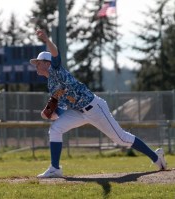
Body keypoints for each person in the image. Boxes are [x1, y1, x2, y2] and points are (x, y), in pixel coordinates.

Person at [29, 29, 167, 178]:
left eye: (38, 62)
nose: (35, 65)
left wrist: (47, 40)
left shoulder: (56, 70)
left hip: (94, 107)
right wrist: (51, 115)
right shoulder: (51, 84)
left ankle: (156, 157)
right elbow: (62, 108)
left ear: (47, 63)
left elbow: (55, 54)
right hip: (77, 112)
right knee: (55, 129)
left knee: (120, 139)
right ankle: (55, 168)